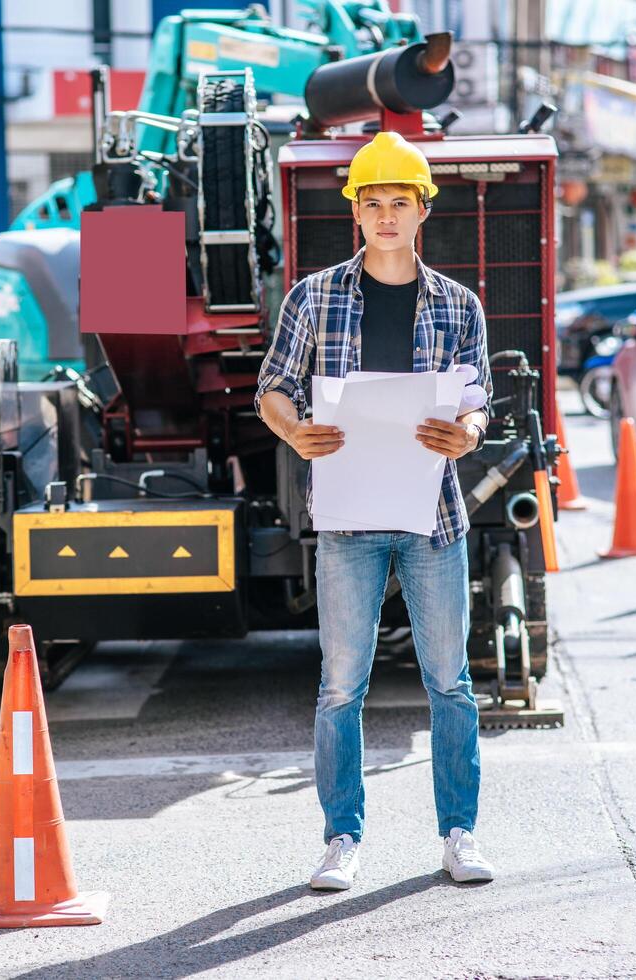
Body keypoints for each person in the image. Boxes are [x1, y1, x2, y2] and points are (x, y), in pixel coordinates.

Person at [254, 131, 495, 890]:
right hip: (349, 519)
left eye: (398, 202)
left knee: (449, 682)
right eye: (371, 202)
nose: (384, 215)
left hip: (435, 520)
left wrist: (467, 434)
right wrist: (293, 429)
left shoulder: (459, 305)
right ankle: (340, 839)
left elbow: (478, 398)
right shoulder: (313, 296)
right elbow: (273, 388)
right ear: (353, 212)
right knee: (339, 685)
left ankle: (459, 834)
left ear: (422, 211)